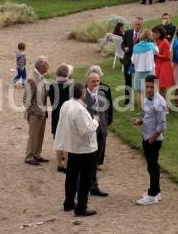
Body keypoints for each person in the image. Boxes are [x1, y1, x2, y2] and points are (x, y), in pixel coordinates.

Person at [53, 81, 98, 217]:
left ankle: (68, 203)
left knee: (71, 176)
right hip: (84, 149)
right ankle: (81, 208)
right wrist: (95, 121)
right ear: (83, 93)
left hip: (72, 147)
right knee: (85, 179)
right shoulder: (79, 109)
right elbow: (86, 130)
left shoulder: (66, 104)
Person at [133, 75, 167, 205]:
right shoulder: (148, 100)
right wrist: (140, 121)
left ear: (157, 86)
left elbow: (162, 125)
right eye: (147, 87)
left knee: (152, 167)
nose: (149, 89)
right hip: (147, 136)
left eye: (152, 87)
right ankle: (156, 191)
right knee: (152, 166)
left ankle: (152, 195)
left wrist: (151, 139)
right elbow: (148, 117)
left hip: (153, 140)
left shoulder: (160, 102)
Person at [83, 68, 112, 197]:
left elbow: (105, 113)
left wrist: (104, 129)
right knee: (86, 162)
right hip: (88, 133)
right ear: (87, 82)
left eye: (97, 81)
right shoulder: (82, 96)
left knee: (95, 161)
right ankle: (84, 187)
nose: (96, 83)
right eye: (93, 81)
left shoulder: (102, 94)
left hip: (100, 133)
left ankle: (93, 186)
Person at [24, 56, 50, 166]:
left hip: (41, 113)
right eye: (46, 65)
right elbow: (26, 100)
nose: (48, 67)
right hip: (35, 114)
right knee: (33, 135)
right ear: (41, 66)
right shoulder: (31, 79)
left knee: (39, 135)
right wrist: (35, 112)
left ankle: (36, 154)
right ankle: (29, 157)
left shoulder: (39, 76)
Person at [131, 31, 157, 104]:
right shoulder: (151, 45)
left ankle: (141, 112)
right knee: (151, 92)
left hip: (139, 72)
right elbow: (157, 52)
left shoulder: (135, 46)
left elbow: (132, 60)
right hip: (150, 72)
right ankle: (150, 112)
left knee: (140, 92)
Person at [154, 28, 174, 95]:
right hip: (158, 64)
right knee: (158, 85)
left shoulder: (165, 42)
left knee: (162, 86)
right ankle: (160, 101)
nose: (153, 34)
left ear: (159, 34)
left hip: (164, 66)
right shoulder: (156, 41)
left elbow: (167, 56)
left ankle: (164, 102)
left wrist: (157, 55)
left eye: (155, 33)